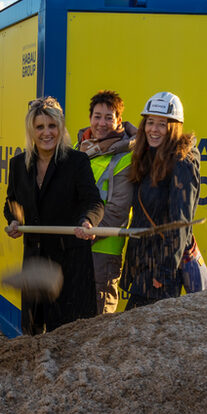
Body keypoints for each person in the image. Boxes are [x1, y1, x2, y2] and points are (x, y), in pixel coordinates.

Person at [5, 96, 103, 335]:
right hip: (35, 265)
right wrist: (13, 220)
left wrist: (87, 220)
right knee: (33, 336)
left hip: (70, 266)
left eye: (52, 126)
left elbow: (94, 201)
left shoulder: (77, 161)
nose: (46, 133)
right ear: (31, 130)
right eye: (40, 127)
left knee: (71, 336)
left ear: (61, 128)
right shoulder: (18, 164)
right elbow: (11, 203)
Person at [119, 91, 200, 309]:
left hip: (159, 273)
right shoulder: (146, 156)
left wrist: (163, 273)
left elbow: (180, 224)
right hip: (143, 264)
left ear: (174, 128)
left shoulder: (182, 162)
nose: (154, 130)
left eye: (162, 124)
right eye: (150, 122)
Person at [78, 90, 135, 314]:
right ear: (90, 118)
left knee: (98, 321)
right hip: (77, 243)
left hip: (103, 251)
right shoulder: (80, 147)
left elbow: (118, 210)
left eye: (109, 117)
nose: (102, 123)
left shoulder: (126, 157)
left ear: (119, 120)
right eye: (97, 116)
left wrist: (87, 234)